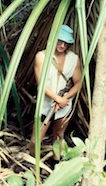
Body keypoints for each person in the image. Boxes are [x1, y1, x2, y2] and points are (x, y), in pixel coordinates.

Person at [29, 24, 82, 159]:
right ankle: (32, 162)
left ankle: (56, 161)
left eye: (66, 43)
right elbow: (41, 85)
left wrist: (65, 98)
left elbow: (78, 83)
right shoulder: (41, 56)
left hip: (65, 102)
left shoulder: (74, 59)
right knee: (37, 136)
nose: (62, 45)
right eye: (60, 41)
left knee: (59, 134)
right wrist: (58, 99)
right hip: (46, 103)